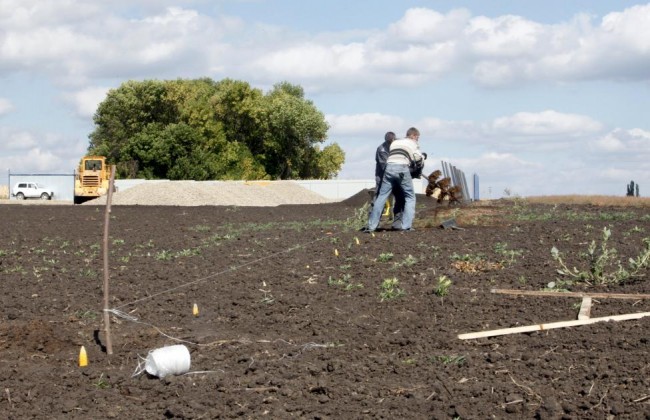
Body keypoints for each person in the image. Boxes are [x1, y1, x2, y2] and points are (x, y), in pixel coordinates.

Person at [365, 127, 424, 232]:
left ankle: (371, 226)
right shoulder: (413, 143)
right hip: (401, 169)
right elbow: (418, 159)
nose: (417, 140)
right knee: (410, 197)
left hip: (389, 169)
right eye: (417, 137)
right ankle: (406, 226)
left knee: (381, 197)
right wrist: (419, 167)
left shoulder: (395, 143)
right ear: (413, 135)